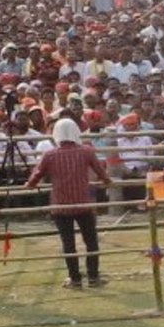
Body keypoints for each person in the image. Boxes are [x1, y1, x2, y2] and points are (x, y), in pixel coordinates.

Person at [36, 116, 111, 288]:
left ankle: (75, 279)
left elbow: (37, 175)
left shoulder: (50, 154)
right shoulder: (86, 151)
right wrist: (107, 181)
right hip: (83, 203)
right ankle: (93, 277)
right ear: (76, 132)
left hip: (61, 205)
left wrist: (29, 184)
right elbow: (101, 172)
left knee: (68, 243)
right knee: (91, 241)